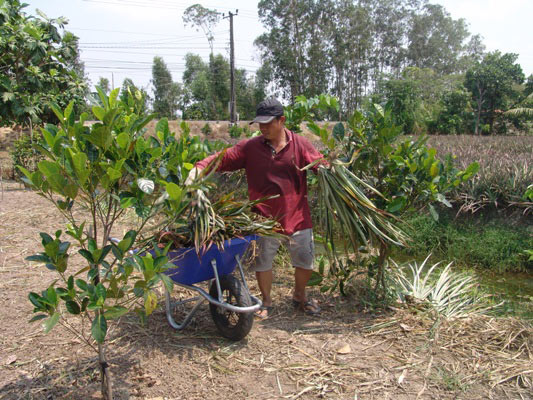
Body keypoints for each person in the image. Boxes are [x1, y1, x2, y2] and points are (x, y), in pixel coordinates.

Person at [187, 98, 323, 319]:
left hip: (297, 215)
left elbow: (321, 166)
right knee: (263, 262)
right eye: (260, 123)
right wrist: (199, 168)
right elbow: (224, 158)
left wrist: (333, 173)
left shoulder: (300, 145)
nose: (263, 128)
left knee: (305, 262)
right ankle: (266, 300)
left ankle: (300, 295)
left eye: (268, 123)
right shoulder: (251, 147)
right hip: (264, 219)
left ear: (282, 121)